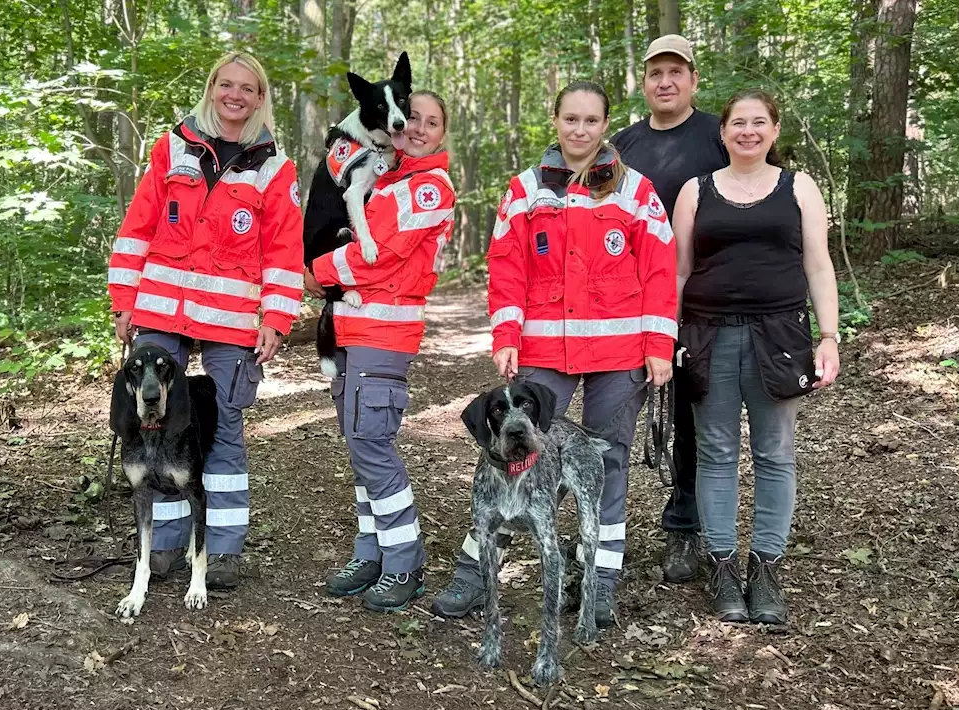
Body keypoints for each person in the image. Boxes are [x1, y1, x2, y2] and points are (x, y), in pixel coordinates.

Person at [429, 81, 677, 628]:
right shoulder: (524, 189)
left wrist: (660, 344)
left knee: (607, 465)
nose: (580, 130)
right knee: (510, 457)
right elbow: (508, 267)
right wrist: (506, 337)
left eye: (591, 120)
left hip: (620, 354)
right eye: (571, 119)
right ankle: (475, 575)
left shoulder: (636, 190)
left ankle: (599, 581)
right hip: (544, 350)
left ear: (605, 124)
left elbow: (660, 269)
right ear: (556, 120)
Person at [106, 51, 304, 591]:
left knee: (225, 432)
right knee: (155, 428)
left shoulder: (273, 167)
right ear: (213, 87)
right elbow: (137, 227)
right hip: (160, 310)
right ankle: (166, 546)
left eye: (248, 88)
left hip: (231, 319)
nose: (235, 95)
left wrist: (277, 317)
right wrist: (124, 298)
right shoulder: (172, 148)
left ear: (261, 99)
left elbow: (284, 250)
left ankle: (222, 550)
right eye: (226, 84)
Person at [671, 89, 840, 625]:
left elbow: (818, 266)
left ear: (774, 129)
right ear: (722, 133)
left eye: (758, 122)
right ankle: (722, 566)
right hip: (706, 334)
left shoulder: (799, 187)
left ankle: (765, 568)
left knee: (775, 454)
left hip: (780, 335)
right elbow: (677, 270)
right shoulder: (695, 191)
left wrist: (830, 336)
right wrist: (665, 335)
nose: (748, 131)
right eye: (738, 123)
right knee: (715, 453)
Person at [304, 91, 455, 612]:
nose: (417, 128)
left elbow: (381, 257)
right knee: (359, 446)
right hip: (351, 328)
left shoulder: (429, 188)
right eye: (413, 117)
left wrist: (315, 274)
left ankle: (403, 561)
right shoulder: (386, 178)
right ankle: (371, 553)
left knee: (372, 444)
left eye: (431, 123)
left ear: (441, 135)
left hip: (383, 336)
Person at [610, 34, 728, 585]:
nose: (665, 81)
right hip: (630, 304)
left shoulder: (719, 135)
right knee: (615, 416)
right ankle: (601, 528)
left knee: (692, 418)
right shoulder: (622, 146)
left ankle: (685, 526)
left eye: (675, 71)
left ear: (692, 80)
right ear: (644, 81)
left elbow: (756, 192)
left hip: (707, 300)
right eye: (656, 71)